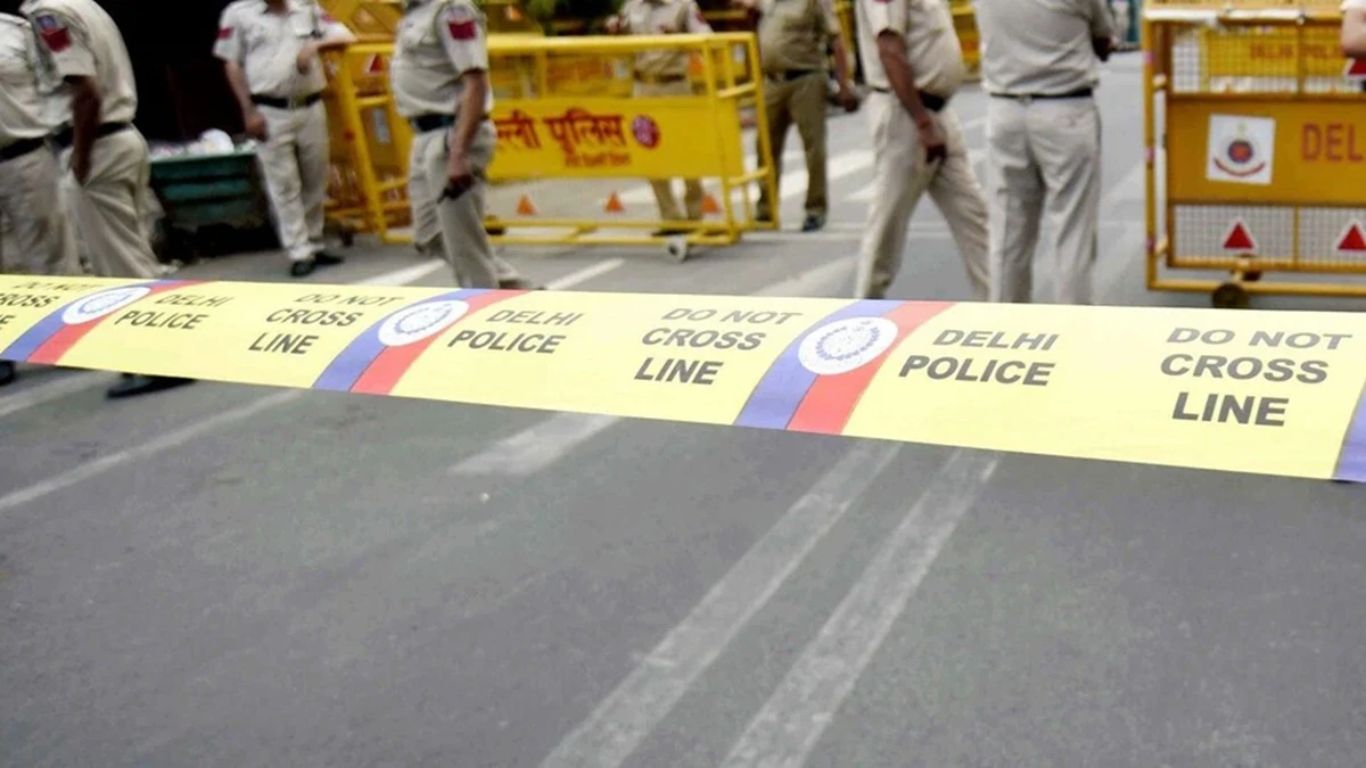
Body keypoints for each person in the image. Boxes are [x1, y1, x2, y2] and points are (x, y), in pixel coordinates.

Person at [20, 0, 192, 398]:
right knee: (135, 256)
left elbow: (86, 91)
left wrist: (80, 158)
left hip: (96, 146)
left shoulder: (49, 13)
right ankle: (167, 351)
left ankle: (158, 360)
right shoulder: (86, 5)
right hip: (120, 138)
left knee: (119, 265)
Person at [975, 0, 1115, 305]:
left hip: (1005, 110)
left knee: (1008, 235)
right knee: (1072, 233)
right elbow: (1103, 41)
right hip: (1064, 109)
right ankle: (1072, 324)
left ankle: (1004, 322)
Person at [853, 0, 989, 300]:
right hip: (907, 115)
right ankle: (864, 308)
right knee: (887, 224)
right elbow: (889, 48)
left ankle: (1001, 306)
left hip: (937, 112)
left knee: (975, 216)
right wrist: (922, 122)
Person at [215, 0, 355, 279]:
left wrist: (315, 46)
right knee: (284, 184)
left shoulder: (307, 7)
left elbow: (346, 36)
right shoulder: (239, 13)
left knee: (316, 177)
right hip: (269, 110)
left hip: (310, 105)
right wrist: (248, 110)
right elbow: (231, 63)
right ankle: (299, 250)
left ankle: (315, 241)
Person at [392, 0, 507, 288]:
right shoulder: (414, 11)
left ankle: (485, 304)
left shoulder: (452, 9)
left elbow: (475, 81)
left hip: (451, 134)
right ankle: (525, 293)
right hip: (424, 133)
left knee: (464, 246)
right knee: (430, 233)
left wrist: (458, 153)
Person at [0, 4, 78, 387]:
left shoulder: (17, 32)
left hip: (26, 155)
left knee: (49, 250)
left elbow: (54, 84)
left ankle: (66, 337)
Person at [734, 0, 859, 232]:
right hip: (773, 80)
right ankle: (766, 208)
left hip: (806, 78)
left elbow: (836, 41)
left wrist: (844, 84)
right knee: (765, 146)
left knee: (813, 146)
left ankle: (815, 208)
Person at [606, 0, 711, 233]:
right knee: (649, 152)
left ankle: (695, 214)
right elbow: (622, 37)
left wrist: (680, 38)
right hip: (643, 86)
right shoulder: (632, 6)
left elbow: (707, 37)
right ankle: (670, 217)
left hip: (674, 84)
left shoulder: (683, 6)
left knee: (686, 152)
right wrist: (615, 29)